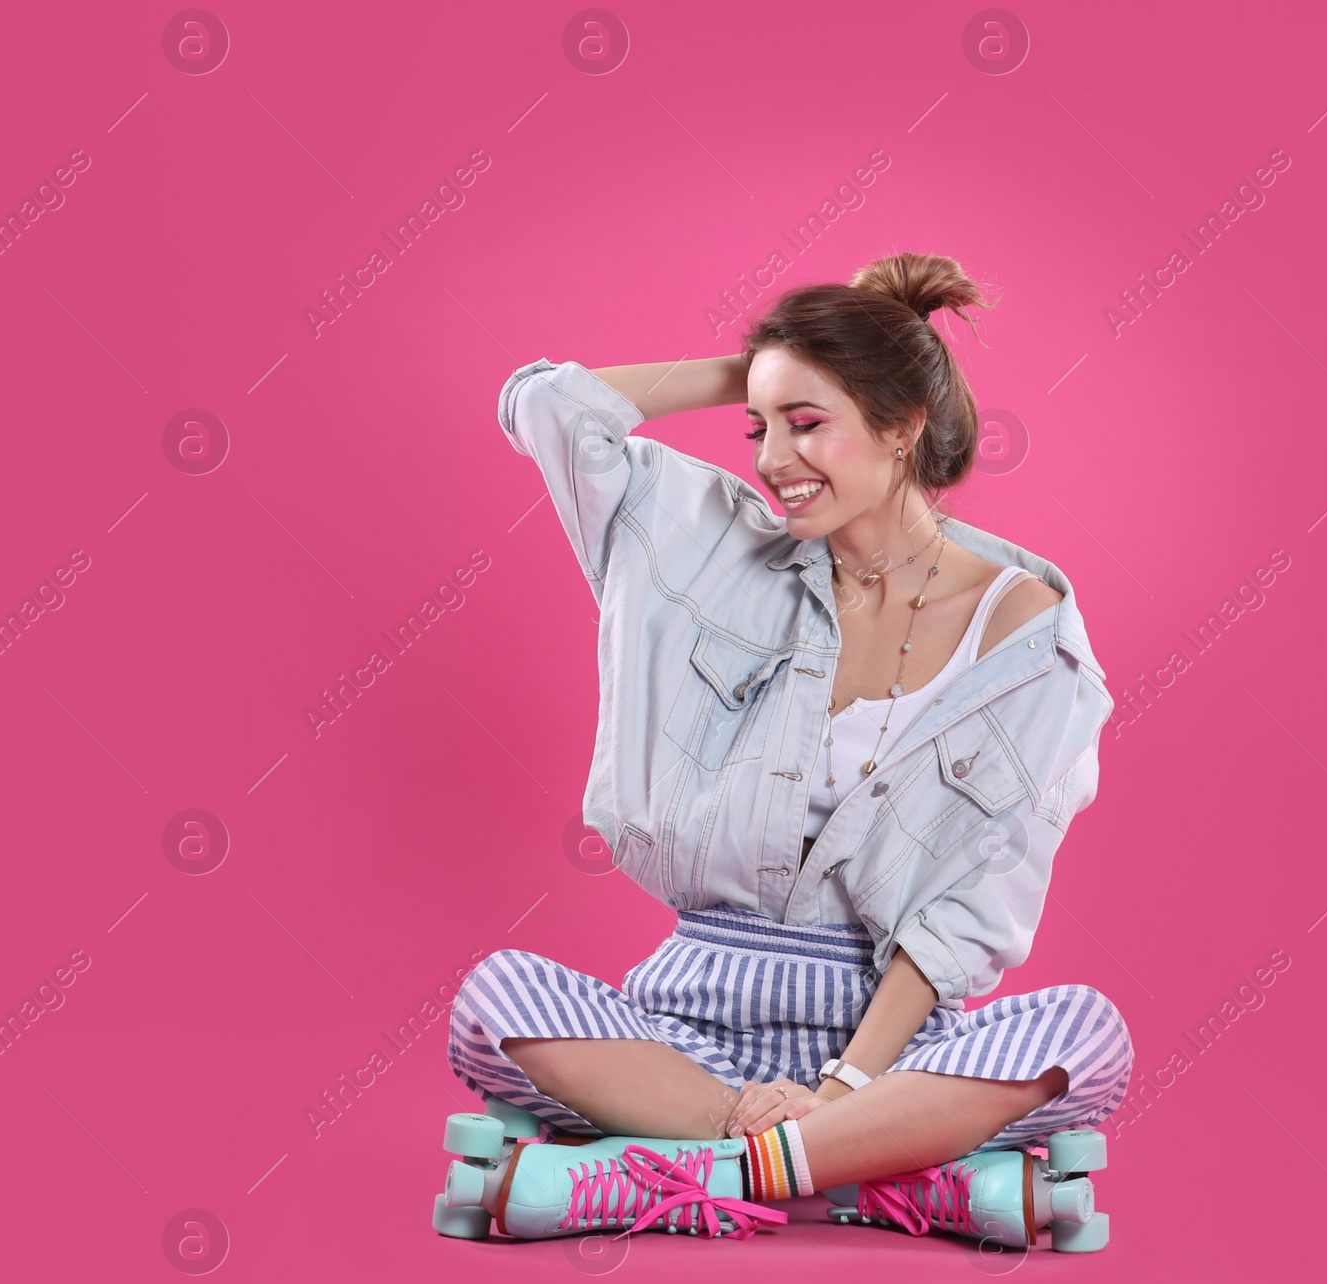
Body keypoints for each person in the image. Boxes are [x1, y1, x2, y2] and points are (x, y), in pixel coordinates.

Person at [446, 252, 1134, 1246]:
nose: (771, 459)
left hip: (892, 1056)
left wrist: (846, 1085)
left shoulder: (1028, 642)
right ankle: (870, 1184)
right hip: (684, 1033)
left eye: (807, 425)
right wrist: (766, 368)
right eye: (758, 428)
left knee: (1082, 1034)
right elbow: (552, 409)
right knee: (497, 997)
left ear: (901, 429)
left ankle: (670, 1176)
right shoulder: (720, 551)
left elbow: (968, 914)